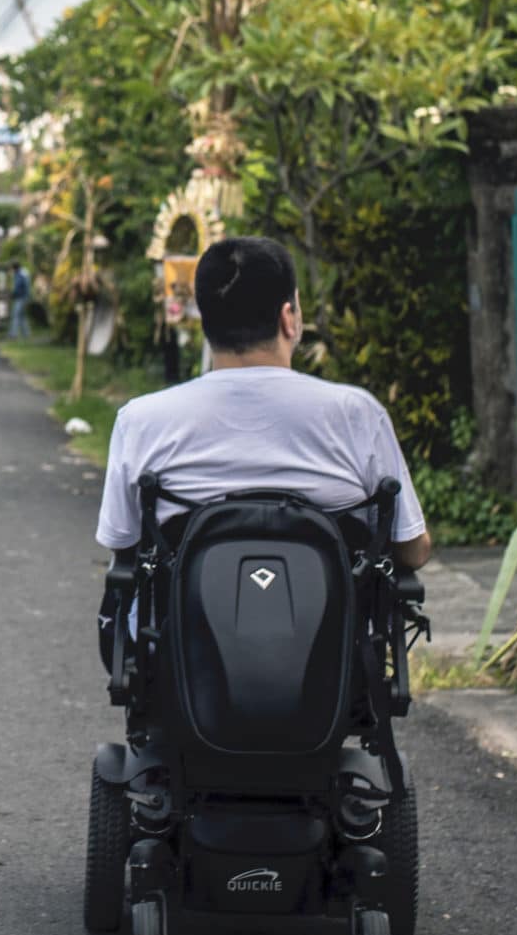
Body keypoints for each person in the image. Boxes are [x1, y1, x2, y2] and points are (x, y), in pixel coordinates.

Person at [96, 235, 431, 656]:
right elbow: (412, 550)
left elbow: (122, 545)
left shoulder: (142, 420)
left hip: (183, 668)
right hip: (333, 673)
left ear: (206, 322)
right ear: (288, 318)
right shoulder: (356, 414)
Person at [9, 262, 33, 338]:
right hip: (23, 297)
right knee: (22, 316)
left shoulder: (20, 274)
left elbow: (18, 287)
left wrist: (12, 294)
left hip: (21, 298)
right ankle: (26, 334)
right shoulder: (22, 273)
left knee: (15, 315)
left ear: (15, 268)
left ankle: (13, 334)